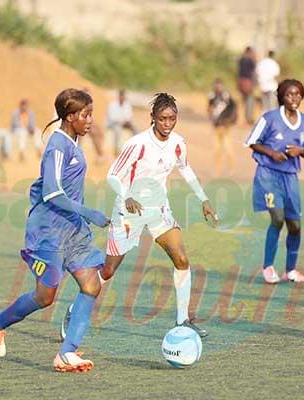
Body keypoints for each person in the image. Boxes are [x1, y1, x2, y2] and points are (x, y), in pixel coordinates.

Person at [61, 93, 218, 340]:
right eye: (163, 119)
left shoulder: (178, 143)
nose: (168, 124)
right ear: (152, 118)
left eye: (172, 119)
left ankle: (183, 321)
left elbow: (185, 169)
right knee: (109, 270)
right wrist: (127, 197)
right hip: (129, 211)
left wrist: (204, 199)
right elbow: (113, 175)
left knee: (181, 258)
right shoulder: (138, 144)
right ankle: (74, 309)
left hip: (158, 210)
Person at [0, 88, 109, 373]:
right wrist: (90, 212)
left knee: (91, 285)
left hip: (73, 232)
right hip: (48, 230)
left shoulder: (75, 143)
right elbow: (52, 193)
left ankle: (67, 353)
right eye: (86, 115)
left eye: (91, 114)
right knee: (45, 297)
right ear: (70, 116)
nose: (90, 120)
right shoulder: (57, 145)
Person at [245, 79, 304, 284]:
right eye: (289, 95)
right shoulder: (270, 118)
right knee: (277, 218)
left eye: (297, 94)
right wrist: (273, 153)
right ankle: (268, 267)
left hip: (290, 177)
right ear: (281, 98)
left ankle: (291, 271)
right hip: (268, 174)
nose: (294, 98)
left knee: (295, 225)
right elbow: (252, 142)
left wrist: (299, 150)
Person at [208, 79, 238, 173]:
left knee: (227, 147)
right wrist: (212, 119)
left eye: (219, 85)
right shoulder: (212, 96)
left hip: (225, 126)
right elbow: (209, 108)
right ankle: (217, 170)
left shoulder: (226, 96)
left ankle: (231, 168)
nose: (218, 87)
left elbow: (233, 108)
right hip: (216, 125)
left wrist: (229, 121)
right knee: (217, 149)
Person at [106, 89, 138, 156]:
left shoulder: (127, 104)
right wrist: (122, 120)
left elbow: (129, 116)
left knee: (135, 127)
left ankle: (137, 146)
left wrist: (127, 121)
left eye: (123, 96)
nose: (122, 98)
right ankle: (117, 150)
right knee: (117, 129)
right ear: (119, 96)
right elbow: (112, 118)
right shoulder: (113, 104)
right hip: (113, 123)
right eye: (121, 96)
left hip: (124, 123)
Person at [237, 46, 257, 124]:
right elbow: (253, 71)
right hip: (248, 82)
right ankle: (248, 118)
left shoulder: (241, 60)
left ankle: (245, 118)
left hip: (241, 81)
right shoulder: (250, 60)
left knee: (244, 100)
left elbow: (239, 71)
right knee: (250, 100)